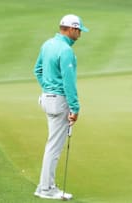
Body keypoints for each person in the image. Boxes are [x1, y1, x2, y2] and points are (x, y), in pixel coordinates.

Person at [33, 14, 89, 200]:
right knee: (54, 147)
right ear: (71, 29)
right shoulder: (65, 50)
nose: (80, 34)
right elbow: (69, 82)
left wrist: (47, 88)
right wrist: (75, 107)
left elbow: (37, 70)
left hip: (47, 99)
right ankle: (46, 188)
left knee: (52, 144)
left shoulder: (47, 44)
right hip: (60, 101)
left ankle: (45, 186)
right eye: (79, 30)